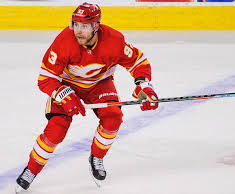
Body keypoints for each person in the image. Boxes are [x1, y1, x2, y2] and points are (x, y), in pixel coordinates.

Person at [15, 2, 158, 192]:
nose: (78, 31)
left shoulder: (114, 40)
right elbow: (46, 79)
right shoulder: (63, 42)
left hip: (99, 84)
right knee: (56, 130)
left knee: (113, 119)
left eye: (84, 26)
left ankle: (97, 156)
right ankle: (31, 169)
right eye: (75, 24)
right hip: (67, 85)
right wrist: (64, 94)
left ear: (96, 26)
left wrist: (144, 86)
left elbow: (137, 61)